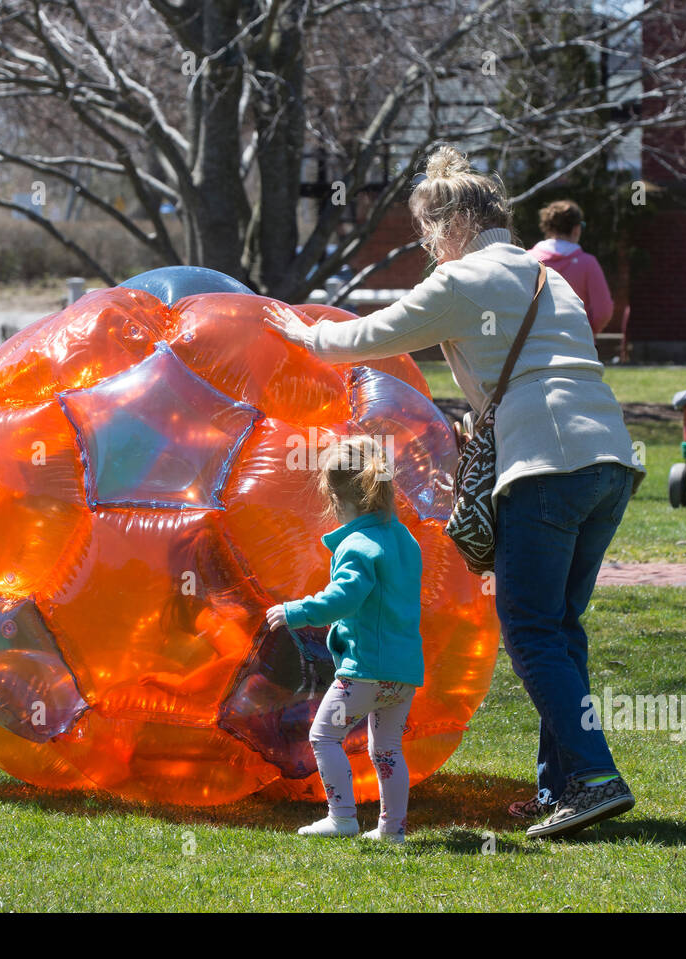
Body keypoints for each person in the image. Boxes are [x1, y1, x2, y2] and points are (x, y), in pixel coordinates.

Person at [265, 146, 645, 840]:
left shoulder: (465, 279)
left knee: (530, 627)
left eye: (425, 232)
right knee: (560, 628)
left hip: (545, 463)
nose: (424, 246)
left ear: (453, 224)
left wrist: (304, 334)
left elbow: (372, 335)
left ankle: (593, 777)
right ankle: (562, 784)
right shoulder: (542, 272)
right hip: (608, 460)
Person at [264, 436, 424, 844]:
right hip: (402, 672)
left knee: (323, 736)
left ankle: (343, 816)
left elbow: (344, 597)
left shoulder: (357, 545)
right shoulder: (404, 538)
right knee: (387, 750)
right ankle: (392, 830)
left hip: (365, 670)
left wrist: (295, 611)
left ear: (335, 498)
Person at [528, 199, 615, 334]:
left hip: (533, 343)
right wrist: (587, 332)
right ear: (576, 229)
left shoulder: (527, 259)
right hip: (576, 344)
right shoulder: (588, 263)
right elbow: (603, 311)